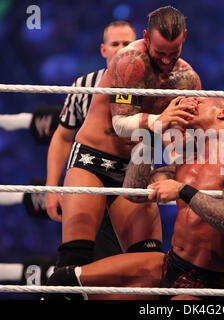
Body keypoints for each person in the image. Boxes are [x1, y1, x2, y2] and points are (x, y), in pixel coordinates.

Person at [45, 97, 224, 301]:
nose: (193, 103)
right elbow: (134, 190)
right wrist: (151, 135)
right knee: (64, 282)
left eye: (201, 101)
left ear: (223, 113)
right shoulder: (186, 164)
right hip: (168, 264)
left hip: (204, 282)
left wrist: (183, 191)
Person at [58, 6, 203, 269]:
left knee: (150, 263)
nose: (167, 61)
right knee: (75, 260)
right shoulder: (130, 61)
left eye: (174, 53)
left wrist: (174, 168)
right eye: (160, 53)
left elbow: (178, 138)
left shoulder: (187, 80)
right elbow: (121, 124)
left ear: (184, 37)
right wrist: (159, 121)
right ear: (146, 37)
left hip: (136, 168)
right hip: (93, 160)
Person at [45, 21, 137, 263]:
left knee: (131, 261)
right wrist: (52, 187)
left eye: (127, 44)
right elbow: (63, 136)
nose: (121, 49)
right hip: (88, 175)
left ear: (137, 47)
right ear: (103, 50)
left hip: (129, 181)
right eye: (114, 44)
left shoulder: (149, 86)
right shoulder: (83, 86)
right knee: (80, 255)